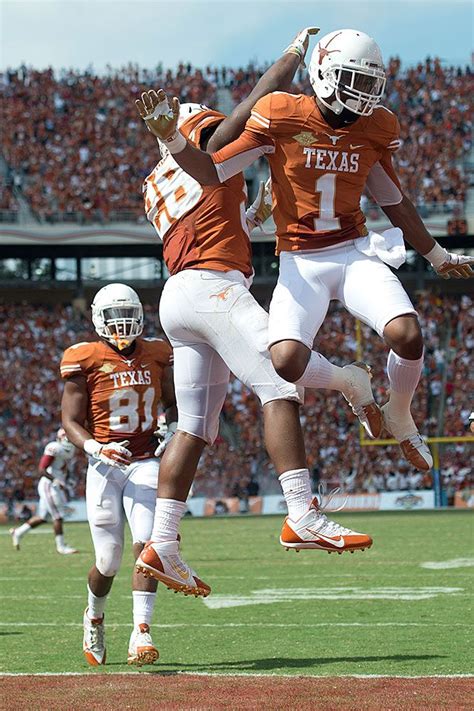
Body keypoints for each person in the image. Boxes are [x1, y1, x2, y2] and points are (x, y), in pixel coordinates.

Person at [147, 28, 474, 473]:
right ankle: (352, 383)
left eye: (369, 83)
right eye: (352, 80)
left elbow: (393, 199)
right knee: (286, 361)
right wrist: (174, 141)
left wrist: (437, 256)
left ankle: (400, 411)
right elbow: (212, 171)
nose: (363, 94)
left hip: (354, 250)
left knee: (407, 333)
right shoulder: (282, 114)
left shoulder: (378, 126)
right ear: (322, 74)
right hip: (301, 260)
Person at [134, 29, 374, 601]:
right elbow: (247, 111)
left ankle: (162, 543)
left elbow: (212, 223)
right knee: (278, 381)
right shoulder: (203, 143)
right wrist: (292, 57)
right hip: (212, 287)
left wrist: (254, 214)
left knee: (194, 429)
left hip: (180, 296)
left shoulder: (159, 181)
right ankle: (302, 512)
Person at [60, 283, 177, 667]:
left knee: (147, 546)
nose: (122, 324)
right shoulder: (84, 357)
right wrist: (96, 447)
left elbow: (174, 404)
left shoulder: (159, 353)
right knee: (108, 561)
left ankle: (141, 632)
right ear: (98, 318)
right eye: (114, 317)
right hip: (105, 464)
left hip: (145, 460)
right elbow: (71, 420)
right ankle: (94, 615)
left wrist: (171, 429)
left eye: (128, 315)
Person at [10, 428, 78, 555]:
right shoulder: (54, 447)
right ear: (59, 437)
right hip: (49, 485)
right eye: (64, 435)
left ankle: (18, 533)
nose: (67, 438)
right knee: (58, 516)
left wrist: (67, 478)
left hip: (55, 484)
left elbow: (63, 465)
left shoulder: (71, 449)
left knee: (42, 517)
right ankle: (61, 547)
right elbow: (41, 469)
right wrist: (55, 480)